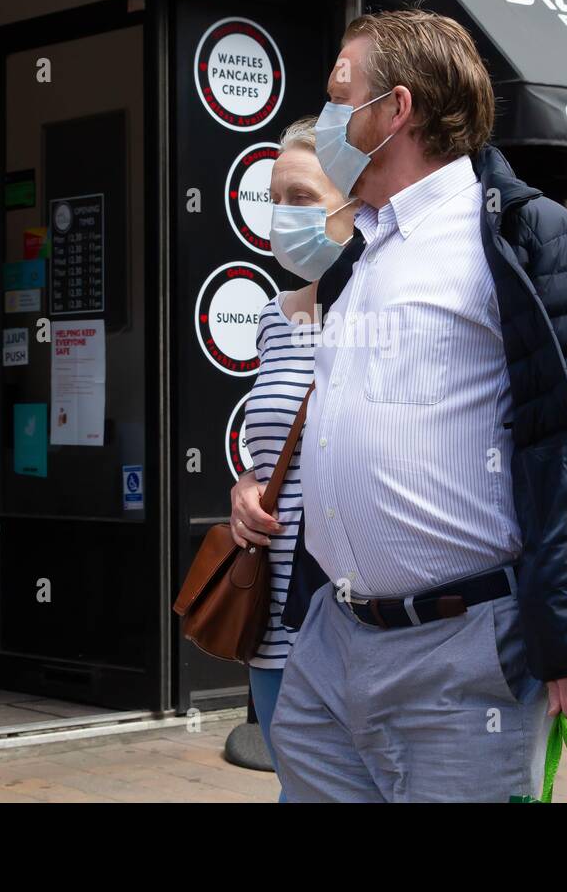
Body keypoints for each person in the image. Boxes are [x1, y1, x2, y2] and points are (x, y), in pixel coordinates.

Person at [258, 9, 567, 802]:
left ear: (396, 109)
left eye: (342, 97)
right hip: (331, 647)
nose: (328, 116)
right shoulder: (356, 253)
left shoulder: (521, 236)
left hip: (463, 655)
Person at [228, 116, 357, 795]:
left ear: (352, 198)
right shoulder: (275, 316)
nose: (284, 216)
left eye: (302, 197)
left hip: (350, 609)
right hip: (270, 605)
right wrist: (244, 485)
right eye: (276, 198)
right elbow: (269, 443)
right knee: (295, 784)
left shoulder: (377, 311)